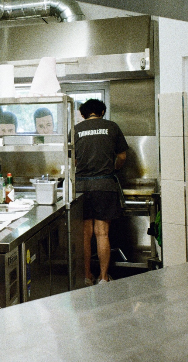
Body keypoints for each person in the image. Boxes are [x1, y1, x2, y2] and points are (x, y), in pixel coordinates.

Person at [74, 99, 128, 285]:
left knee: (85, 235)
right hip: (104, 185)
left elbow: (72, 160)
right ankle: (103, 277)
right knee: (102, 234)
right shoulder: (112, 127)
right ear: (102, 112)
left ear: (83, 114)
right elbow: (122, 156)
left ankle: (87, 276)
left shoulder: (76, 130)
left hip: (80, 187)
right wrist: (113, 168)